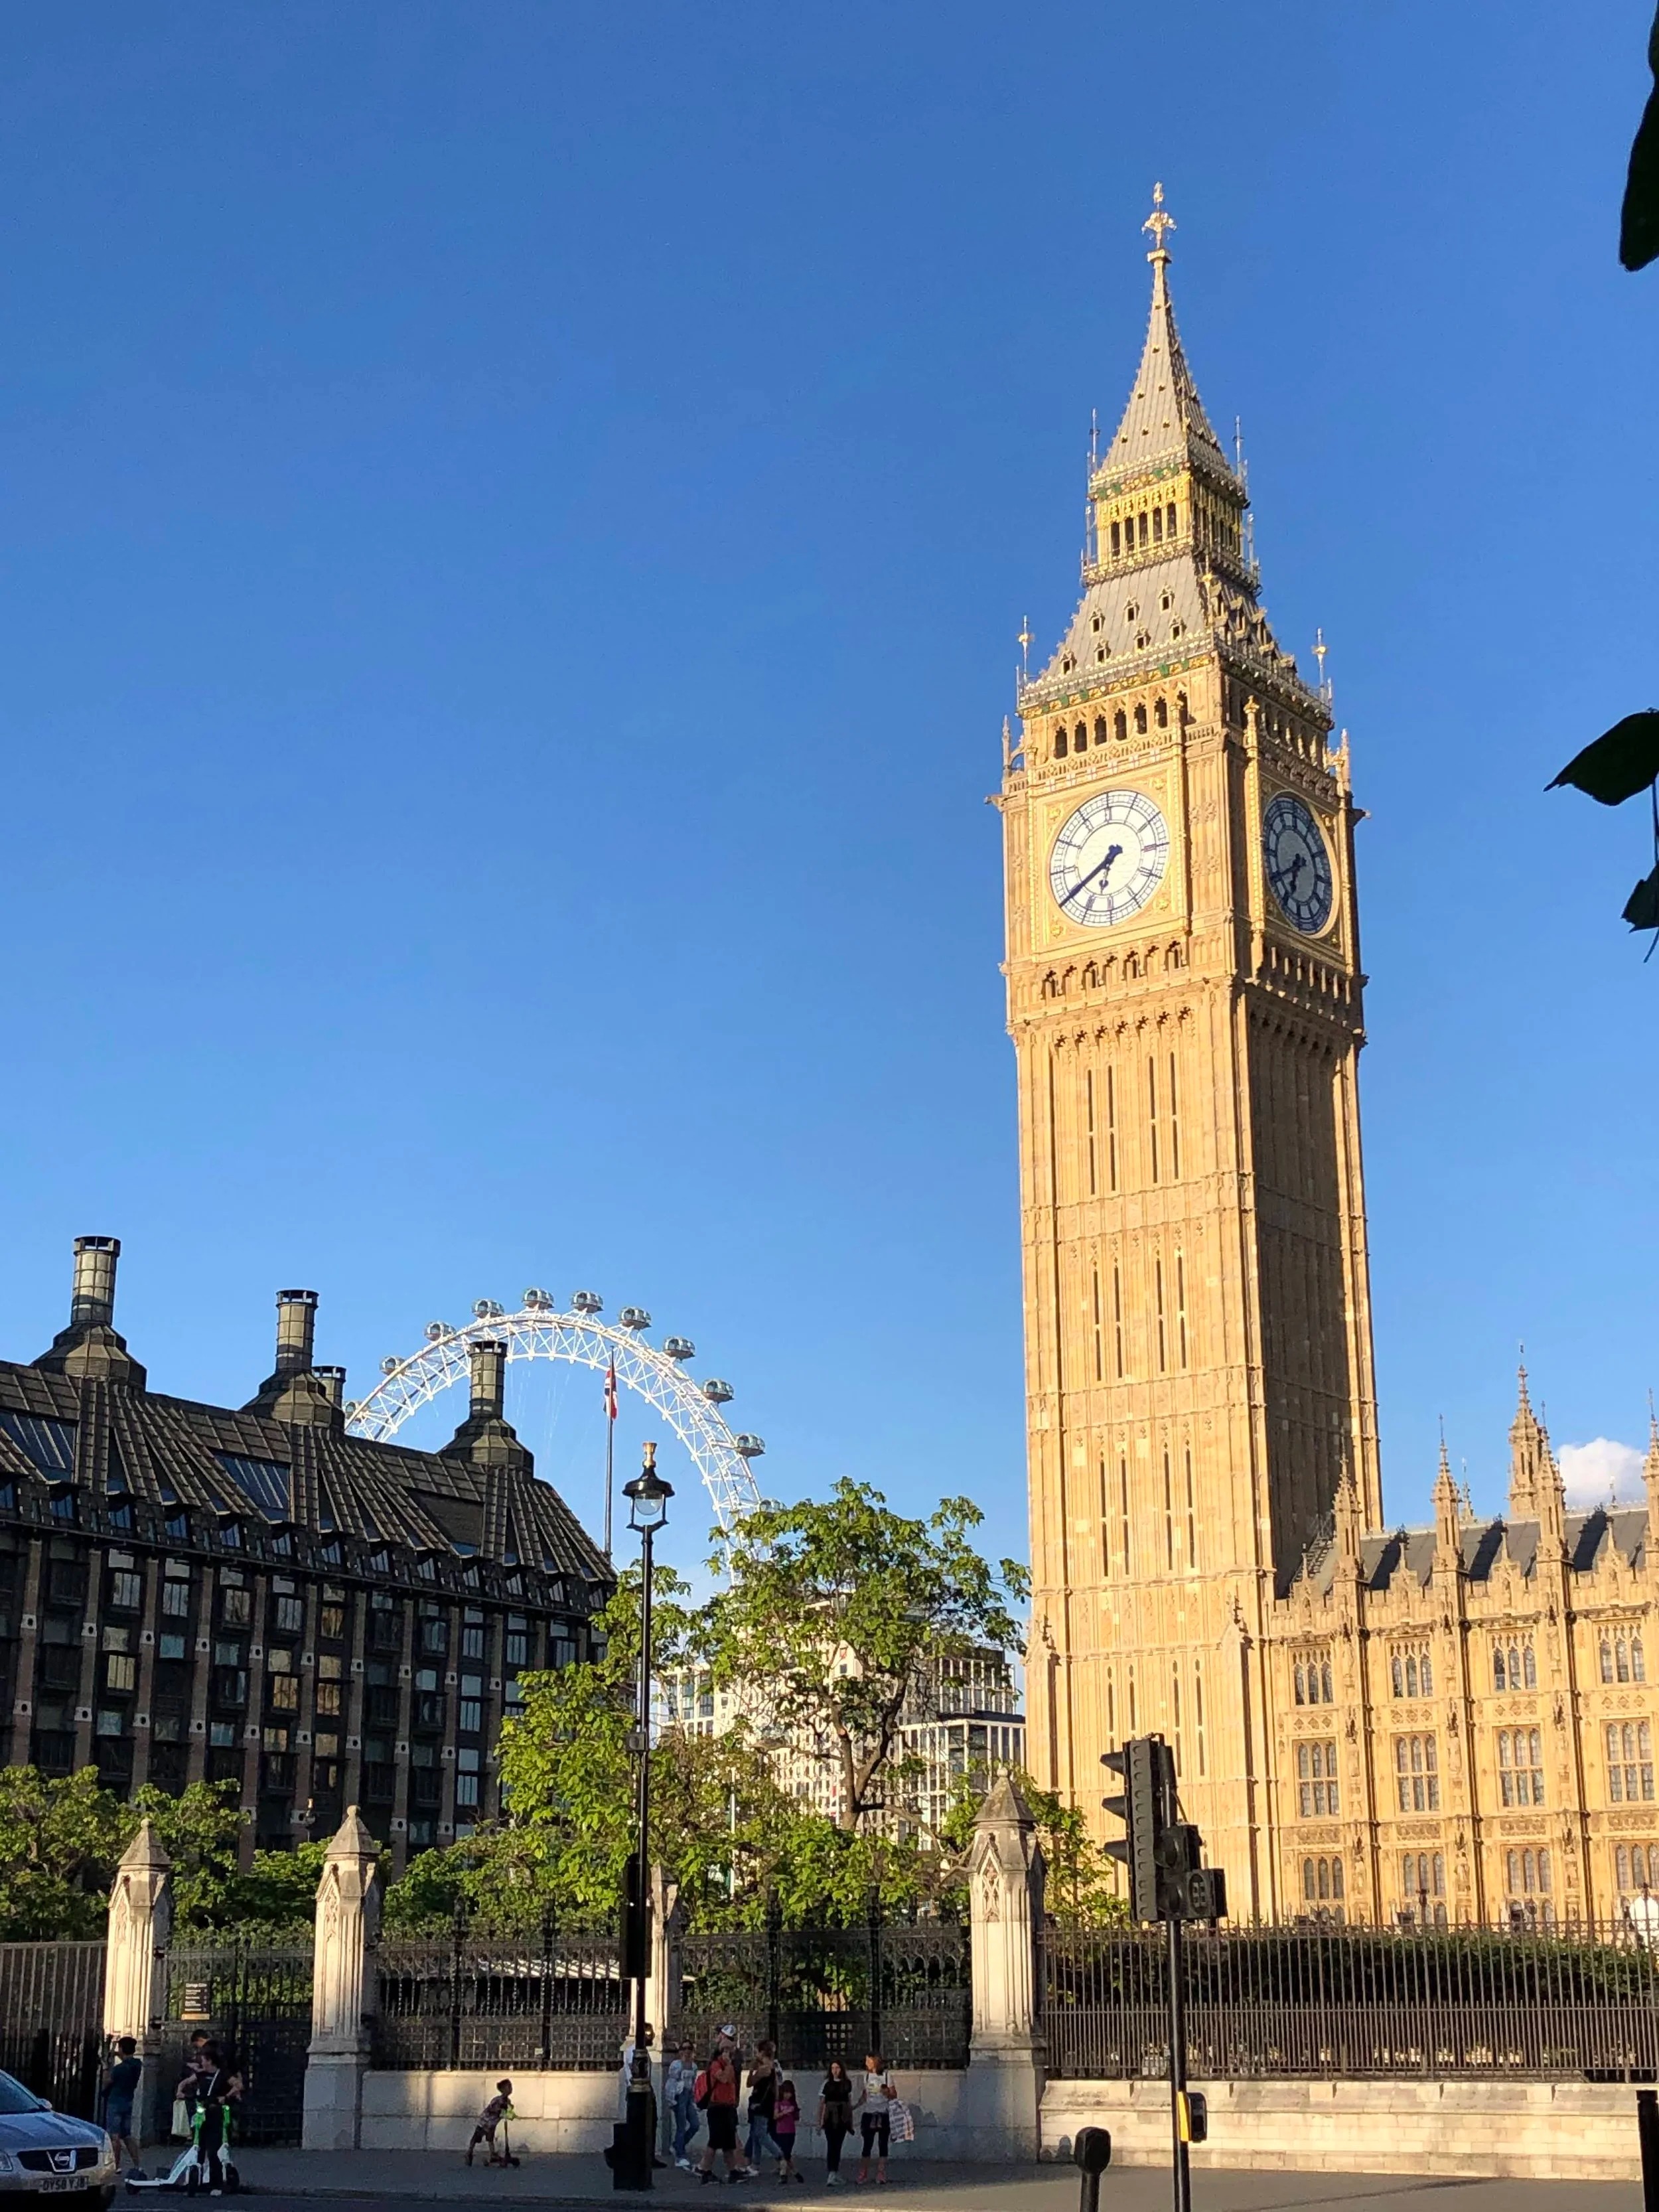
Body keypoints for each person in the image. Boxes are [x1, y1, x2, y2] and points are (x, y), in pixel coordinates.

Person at [694, 2041, 751, 2185]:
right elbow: (724, 2079)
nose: (729, 2054)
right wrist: (729, 2065)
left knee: (728, 2143)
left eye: (730, 2051)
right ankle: (705, 2171)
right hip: (717, 2107)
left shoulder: (728, 2066)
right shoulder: (716, 2065)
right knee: (714, 2141)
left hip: (727, 2107)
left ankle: (733, 2172)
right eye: (727, 2051)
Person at [188, 2042, 240, 2196]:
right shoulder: (201, 2074)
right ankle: (196, 2180)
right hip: (201, 2115)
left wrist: (226, 2096)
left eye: (203, 2059)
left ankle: (216, 2184)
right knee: (198, 2148)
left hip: (215, 2115)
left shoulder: (223, 2074)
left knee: (213, 2151)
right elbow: (186, 2083)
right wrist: (180, 2091)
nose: (202, 2063)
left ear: (210, 2060)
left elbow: (238, 2085)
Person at [101, 2036, 144, 2179]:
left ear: (121, 2049)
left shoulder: (119, 2069)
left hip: (115, 2101)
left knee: (115, 2136)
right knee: (127, 2135)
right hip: (128, 2100)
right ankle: (137, 2164)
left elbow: (107, 2082)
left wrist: (106, 2067)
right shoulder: (137, 2065)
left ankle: (116, 2165)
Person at [855, 2050, 897, 2187]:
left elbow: (893, 2095)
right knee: (867, 2145)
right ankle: (863, 2172)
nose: (866, 2063)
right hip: (869, 2113)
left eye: (869, 2060)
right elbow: (865, 2095)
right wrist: (855, 2106)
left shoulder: (886, 2076)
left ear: (875, 2061)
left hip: (883, 2112)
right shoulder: (866, 2076)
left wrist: (886, 2092)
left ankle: (881, 2172)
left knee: (882, 2144)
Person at [745, 2039, 782, 2169]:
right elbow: (777, 2088)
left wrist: (751, 2070)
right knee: (755, 2134)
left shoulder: (764, 2069)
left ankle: (780, 2156)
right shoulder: (774, 2067)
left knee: (761, 2135)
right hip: (768, 2104)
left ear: (761, 2052)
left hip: (760, 2104)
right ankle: (755, 2164)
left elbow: (749, 2083)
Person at [665, 2041, 701, 2170]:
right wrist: (671, 2099)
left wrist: (693, 2099)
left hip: (687, 2095)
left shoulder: (694, 2066)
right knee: (681, 2126)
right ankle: (680, 2155)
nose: (687, 2051)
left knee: (695, 2124)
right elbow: (671, 2082)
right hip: (678, 2096)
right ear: (680, 2051)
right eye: (684, 2048)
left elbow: (692, 2083)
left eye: (689, 2048)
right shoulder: (676, 2065)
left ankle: (677, 2145)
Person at [817, 2060, 853, 2188]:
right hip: (830, 2118)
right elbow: (822, 2104)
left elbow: (849, 2103)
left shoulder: (847, 2084)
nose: (835, 2071)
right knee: (831, 2145)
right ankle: (831, 2173)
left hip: (842, 2118)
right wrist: (819, 2122)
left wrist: (851, 2121)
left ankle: (835, 2171)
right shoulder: (826, 2084)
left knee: (838, 2145)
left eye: (837, 2068)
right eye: (833, 2068)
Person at [465, 2080, 514, 2167]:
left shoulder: (508, 2101)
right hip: (485, 2122)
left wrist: (509, 2112)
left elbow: (509, 2113)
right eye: (508, 2087)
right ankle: (469, 2152)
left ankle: (492, 2154)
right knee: (477, 2137)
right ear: (502, 2089)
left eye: (511, 2087)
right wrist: (500, 2109)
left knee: (490, 2138)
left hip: (493, 2124)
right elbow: (492, 2109)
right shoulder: (497, 2100)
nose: (510, 2089)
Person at [772, 2078, 802, 2184]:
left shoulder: (793, 2104)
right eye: (785, 2093)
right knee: (784, 2154)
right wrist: (784, 2112)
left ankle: (794, 2173)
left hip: (790, 2131)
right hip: (781, 2131)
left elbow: (796, 2118)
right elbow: (775, 2116)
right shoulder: (778, 2103)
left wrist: (795, 2113)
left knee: (787, 2154)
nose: (787, 2095)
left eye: (789, 2093)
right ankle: (784, 2174)